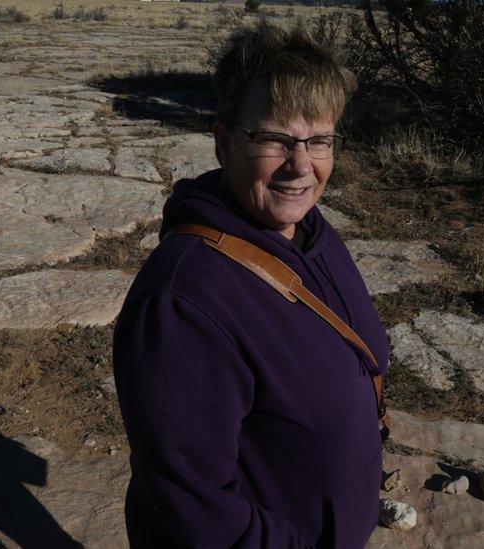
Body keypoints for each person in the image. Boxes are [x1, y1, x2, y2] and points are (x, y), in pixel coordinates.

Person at [111, 20, 390, 548]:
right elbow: (194, 505)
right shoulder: (182, 301)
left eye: (319, 141)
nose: (301, 165)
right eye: (274, 139)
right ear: (224, 140)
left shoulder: (311, 232)